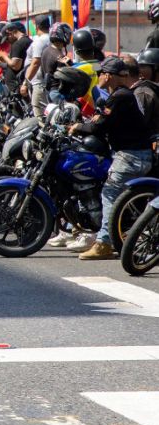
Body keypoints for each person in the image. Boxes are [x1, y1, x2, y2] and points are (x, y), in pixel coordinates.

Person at [71, 57, 154, 260]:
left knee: (109, 193)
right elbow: (101, 119)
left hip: (131, 156)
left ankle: (104, 242)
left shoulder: (120, 96)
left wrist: (78, 127)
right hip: (132, 154)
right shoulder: (120, 95)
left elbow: (100, 125)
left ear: (109, 76)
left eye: (102, 73)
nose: (100, 77)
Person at [24, 15, 53, 117]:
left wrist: (25, 82)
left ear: (37, 26)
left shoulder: (40, 41)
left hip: (39, 84)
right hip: (47, 83)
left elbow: (36, 62)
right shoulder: (51, 39)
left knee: (40, 117)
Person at [0, 21, 31, 93]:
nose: (8, 41)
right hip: (19, 84)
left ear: (10, 34)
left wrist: (4, 56)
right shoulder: (28, 41)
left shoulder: (17, 44)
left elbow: (15, 66)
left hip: (17, 86)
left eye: (7, 38)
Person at [133, 48, 159, 133]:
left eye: (142, 66)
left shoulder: (143, 92)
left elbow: (138, 125)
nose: (139, 70)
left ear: (155, 68)